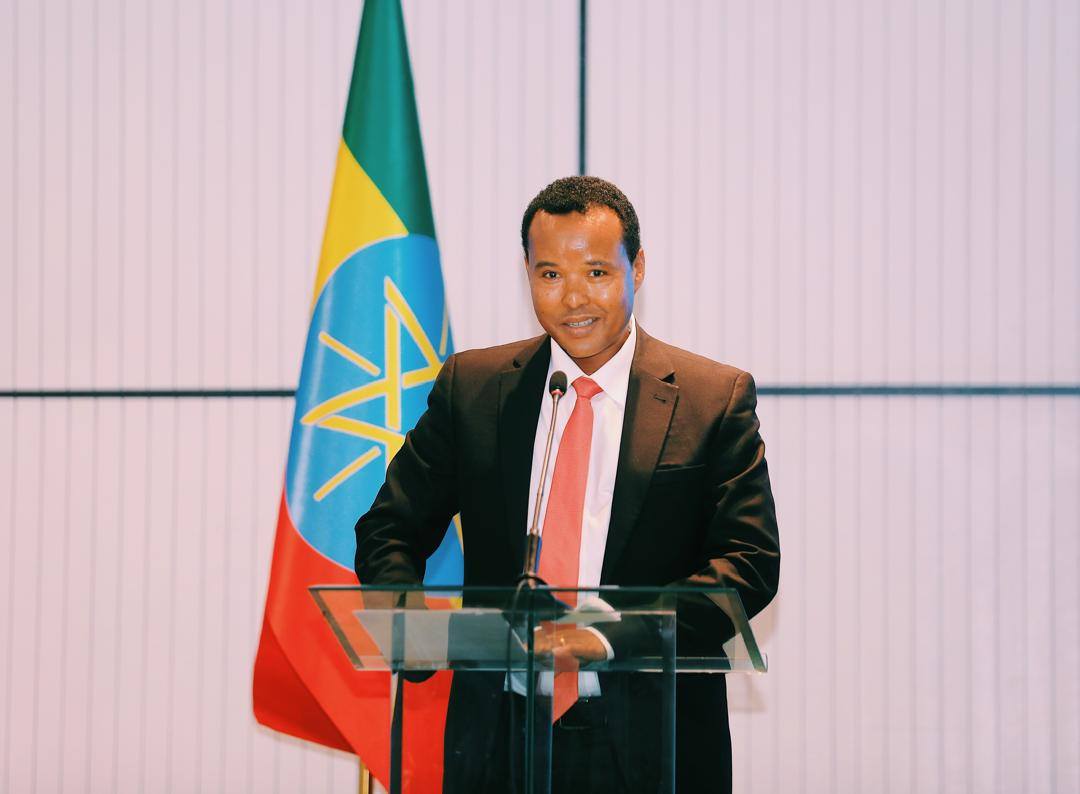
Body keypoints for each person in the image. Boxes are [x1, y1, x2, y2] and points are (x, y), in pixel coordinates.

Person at [354, 176, 780, 793]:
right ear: (526, 273)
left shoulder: (711, 399)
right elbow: (389, 527)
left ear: (637, 267)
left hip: (653, 734)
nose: (573, 297)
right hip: (498, 736)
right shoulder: (473, 388)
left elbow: (749, 564)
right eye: (550, 274)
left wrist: (608, 634)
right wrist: (410, 622)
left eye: (597, 273)